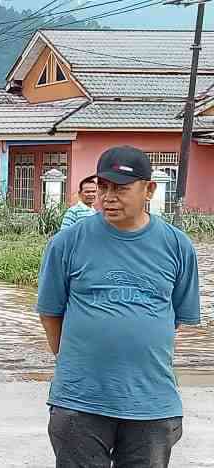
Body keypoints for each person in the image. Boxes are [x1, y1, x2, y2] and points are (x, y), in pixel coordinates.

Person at [37, 146, 200, 468]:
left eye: (121, 189)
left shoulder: (177, 245)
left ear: (149, 190)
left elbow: (175, 319)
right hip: (80, 400)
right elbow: (50, 312)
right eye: (104, 187)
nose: (109, 197)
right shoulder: (68, 242)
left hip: (152, 402)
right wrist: (77, 359)